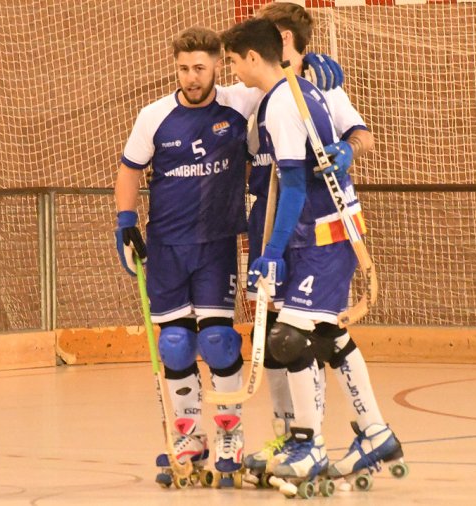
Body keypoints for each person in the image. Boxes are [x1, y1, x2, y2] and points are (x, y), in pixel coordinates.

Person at [113, 27, 344, 487]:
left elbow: (278, 77)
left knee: (218, 342)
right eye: (183, 68)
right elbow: (130, 169)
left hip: (217, 244)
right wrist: (125, 223)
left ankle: (229, 437)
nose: (192, 77)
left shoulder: (241, 102)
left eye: (200, 67)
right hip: (167, 247)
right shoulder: (154, 115)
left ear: (218, 64)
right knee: (174, 344)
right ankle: (186, 437)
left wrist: (311, 68)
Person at [240, 3, 403, 488]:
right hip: (279, 228)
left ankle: (308, 441)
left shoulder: (321, 85)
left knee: (294, 334)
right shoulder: (261, 86)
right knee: (297, 334)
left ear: (282, 37)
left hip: (313, 227)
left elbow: (363, 136)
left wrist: (348, 151)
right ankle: (314, 435)